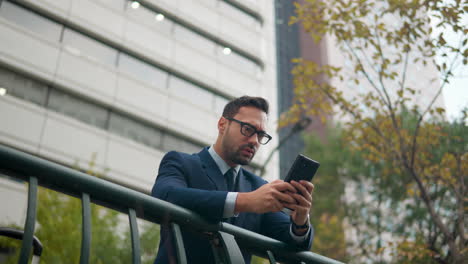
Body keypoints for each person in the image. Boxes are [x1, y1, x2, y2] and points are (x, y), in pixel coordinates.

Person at [151, 96, 314, 263]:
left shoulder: (258, 187)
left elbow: (293, 242)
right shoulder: (181, 162)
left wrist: (300, 220)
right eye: (248, 129)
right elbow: (164, 195)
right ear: (222, 124)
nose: (254, 141)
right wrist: (244, 201)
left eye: (261, 135)